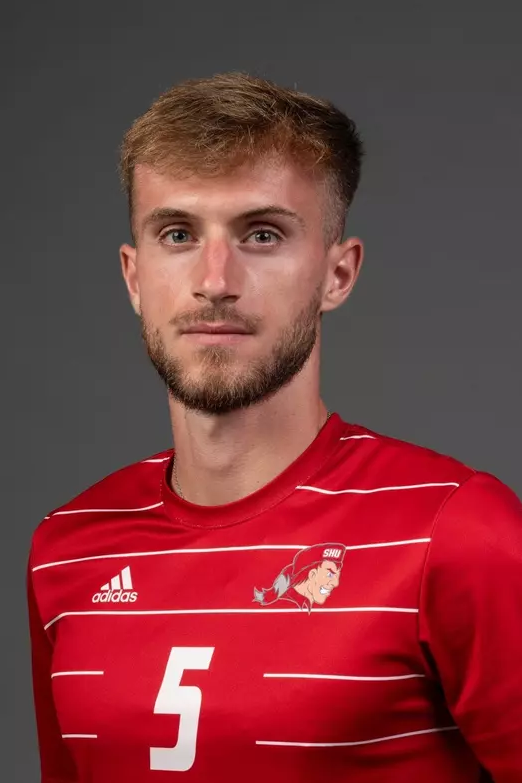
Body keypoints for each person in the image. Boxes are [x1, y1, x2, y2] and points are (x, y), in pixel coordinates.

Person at [27, 71, 522, 782]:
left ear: (336, 273)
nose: (215, 279)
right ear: (134, 276)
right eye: (177, 233)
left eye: (261, 234)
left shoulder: (456, 530)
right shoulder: (68, 549)